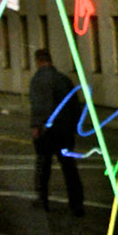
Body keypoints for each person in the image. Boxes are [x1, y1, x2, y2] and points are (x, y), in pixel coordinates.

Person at [29, 49, 85, 216]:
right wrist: (74, 127)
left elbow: (39, 106)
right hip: (65, 132)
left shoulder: (37, 80)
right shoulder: (64, 79)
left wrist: (36, 127)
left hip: (47, 132)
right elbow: (75, 105)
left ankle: (43, 200)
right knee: (69, 169)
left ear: (38, 61)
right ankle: (76, 204)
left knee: (43, 167)